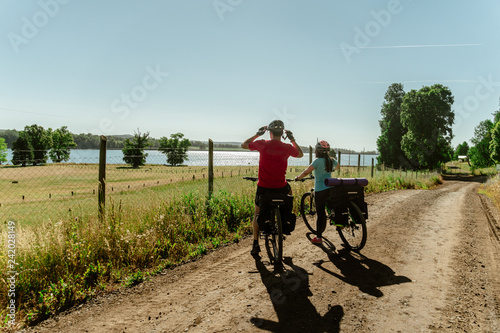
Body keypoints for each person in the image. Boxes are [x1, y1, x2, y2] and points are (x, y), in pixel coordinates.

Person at [241, 120, 304, 255]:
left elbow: (243, 145)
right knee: (289, 191)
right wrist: (292, 139)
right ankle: (283, 216)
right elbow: (300, 154)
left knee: (257, 212)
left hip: (264, 187)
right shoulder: (287, 147)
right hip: (281, 187)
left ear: (269, 132)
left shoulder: (262, 144)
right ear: (282, 134)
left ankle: (255, 243)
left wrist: (257, 134)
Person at [295, 140, 340, 244]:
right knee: (331, 206)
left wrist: (298, 178)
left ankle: (319, 237)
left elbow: (306, 172)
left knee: (320, 213)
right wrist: (331, 170)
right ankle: (338, 222)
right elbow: (337, 167)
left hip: (320, 189)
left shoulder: (317, 161)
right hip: (330, 187)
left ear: (318, 151)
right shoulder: (331, 159)